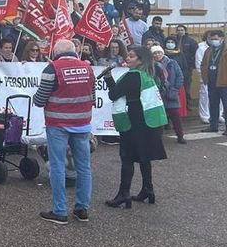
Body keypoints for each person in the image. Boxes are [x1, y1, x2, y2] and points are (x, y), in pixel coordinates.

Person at [32, 39, 94, 225]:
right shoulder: (87, 68)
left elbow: (40, 99)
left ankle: (60, 211)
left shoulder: (52, 69)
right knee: (84, 167)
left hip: (58, 123)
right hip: (82, 123)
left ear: (56, 52)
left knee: (58, 165)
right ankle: (82, 209)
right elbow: (93, 96)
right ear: (74, 51)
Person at [104, 46, 168, 208]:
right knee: (144, 157)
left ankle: (123, 193)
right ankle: (148, 189)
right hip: (149, 122)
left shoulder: (132, 76)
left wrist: (107, 78)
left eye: (131, 56)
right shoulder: (147, 74)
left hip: (134, 122)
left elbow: (114, 94)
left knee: (127, 157)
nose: (127, 58)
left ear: (140, 60)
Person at [151, 45, 185, 144]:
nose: (157, 55)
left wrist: (175, 88)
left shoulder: (172, 63)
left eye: (159, 52)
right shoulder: (151, 65)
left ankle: (180, 135)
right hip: (158, 94)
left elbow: (179, 76)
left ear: (162, 53)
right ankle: (158, 138)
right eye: (155, 53)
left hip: (171, 92)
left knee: (175, 116)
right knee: (159, 117)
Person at [201, 30, 227, 134]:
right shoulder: (208, 50)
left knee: (226, 106)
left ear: (222, 39)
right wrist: (204, 78)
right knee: (213, 104)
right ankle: (213, 126)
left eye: (216, 39)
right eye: (212, 39)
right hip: (212, 82)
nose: (213, 41)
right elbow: (203, 64)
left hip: (224, 82)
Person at [174, 25, 198, 96]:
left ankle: (188, 104)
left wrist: (191, 65)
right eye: (178, 30)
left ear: (185, 31)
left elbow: (195, 54)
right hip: (176, 65)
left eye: (182, 30)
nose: (180, 32)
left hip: (187, 67)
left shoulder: (191, 41)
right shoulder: (174, 40)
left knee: (186, 85)